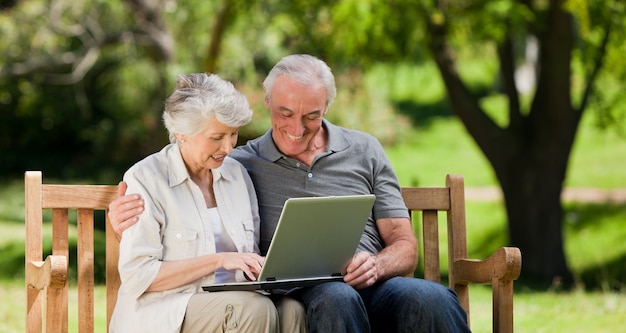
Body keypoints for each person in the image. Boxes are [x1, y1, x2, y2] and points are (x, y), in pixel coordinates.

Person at [110, 55, 471, 332]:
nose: (297, 129)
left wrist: (377, 264)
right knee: (335, 298)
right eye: (285, 113)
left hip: (376, 282)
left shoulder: (365, 150)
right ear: (267, 102)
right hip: (312, 291)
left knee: (430, 297)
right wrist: (119, 218)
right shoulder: (242, 163)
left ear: (326, 107)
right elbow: (183, 167)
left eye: (311, 116)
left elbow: (405, 246)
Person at [109, 73, 306, 333]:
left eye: (233, 134)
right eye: (216, 137)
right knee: (252, 309)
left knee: (293, 310)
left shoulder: (236, 175)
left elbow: (250, 253)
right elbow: (138, 277)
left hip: (235, 301)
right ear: (182, 133)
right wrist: (219, 260)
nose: (228, 147)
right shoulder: (146, 178)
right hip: (165, 312)